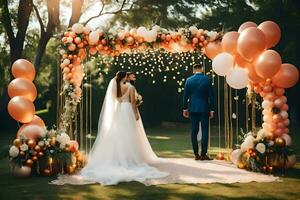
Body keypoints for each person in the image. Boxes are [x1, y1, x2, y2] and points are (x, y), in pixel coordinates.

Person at [73, 71, 167, 185]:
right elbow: (133, 102)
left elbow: (113, 100)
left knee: (117, 134)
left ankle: (118, 158)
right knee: (130, 135)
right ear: (125, 77)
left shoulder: (115, 86)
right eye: (127, 76)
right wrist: (136, 114)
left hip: (118, 111)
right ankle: (129, 158)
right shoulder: (130, 87)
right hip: (127, 110)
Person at [183, 64, 214, 161]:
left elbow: (185, 96)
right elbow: (211, 96)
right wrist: (212, 109)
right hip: (204, 108)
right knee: (205, 130)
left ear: (193, 70)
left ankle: (196, 154)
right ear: (202, 69)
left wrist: (185, 108)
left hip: (192, 108)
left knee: (194, 131)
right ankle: (203, 154)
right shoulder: (207, 79)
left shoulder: (189, 80)